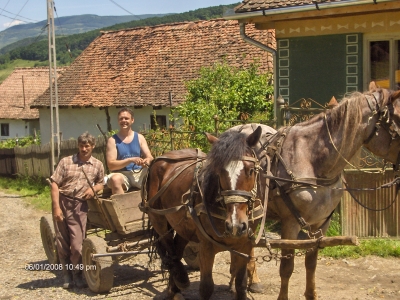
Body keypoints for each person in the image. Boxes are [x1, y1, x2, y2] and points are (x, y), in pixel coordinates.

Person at [50, 132, 105, 289]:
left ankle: (78, 274)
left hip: (80, 205)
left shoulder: (97, 165)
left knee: (77, 244)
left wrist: (94, 188)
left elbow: (102, 183)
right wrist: (56, 207)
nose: (84, 148)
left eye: (87, 145)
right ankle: (67, 275)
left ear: (93, 146)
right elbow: (54, 184)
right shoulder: (66, 162)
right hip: (63, 201)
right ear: (78, 146)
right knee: (62, 241)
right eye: (82, 145)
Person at [106, 107, 153, 194]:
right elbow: (111, 165)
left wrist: (146, 161)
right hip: (122, 174)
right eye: (121, 119)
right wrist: (130, 160)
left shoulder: (139, 137)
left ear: (132, 120)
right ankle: (122, 206)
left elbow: (150, 157)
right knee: (115, 179)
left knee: (156, 172)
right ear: (118, 121)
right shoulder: (112, 140)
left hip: (139, 173)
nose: (124, 121)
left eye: (126, 118)